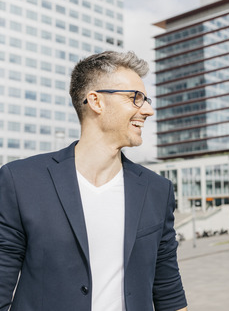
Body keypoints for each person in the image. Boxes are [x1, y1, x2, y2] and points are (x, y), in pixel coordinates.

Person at [0, 51, 188, 311]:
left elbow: (169, 293)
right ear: (96, 101)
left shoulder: (157, 190)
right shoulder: (20, 181)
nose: (148, 110)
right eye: (136, 98)